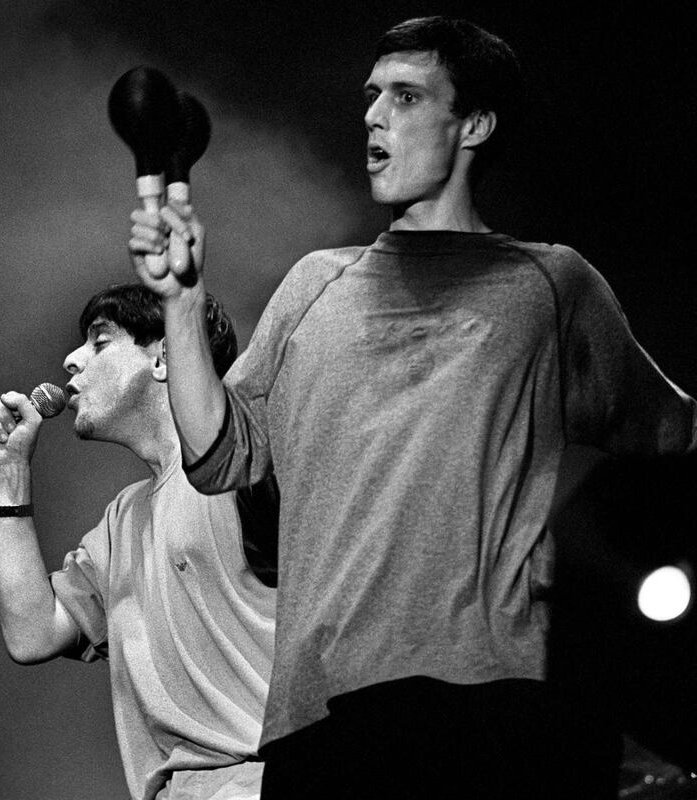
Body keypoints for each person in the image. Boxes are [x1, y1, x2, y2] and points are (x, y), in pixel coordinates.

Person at [128, 15, 697, 800]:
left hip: (499, 708)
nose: (372, 115)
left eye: (405, 96)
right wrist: (182, 302)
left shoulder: (551, 285)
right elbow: (219, 454)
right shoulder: (315, 285)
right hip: (321, 716)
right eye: (371, 96)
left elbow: (672, 435)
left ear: (475, 124)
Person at [0, 283, 276, 800]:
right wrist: (9, 477)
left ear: (163, 355)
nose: (71, 361)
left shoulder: (248, 468)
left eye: (100, 341)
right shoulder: (123, 518)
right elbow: (33, 634)